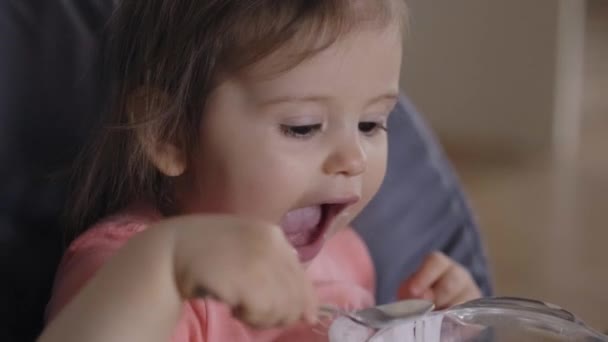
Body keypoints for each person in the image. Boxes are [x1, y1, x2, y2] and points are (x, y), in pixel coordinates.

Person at [39, 1, 482, 341]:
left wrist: (417, 324)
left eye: (371, 124)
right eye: (303, 127)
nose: (354, 160)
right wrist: (164, 264)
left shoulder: (346, 255)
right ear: (168, 133)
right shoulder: (133, 271)